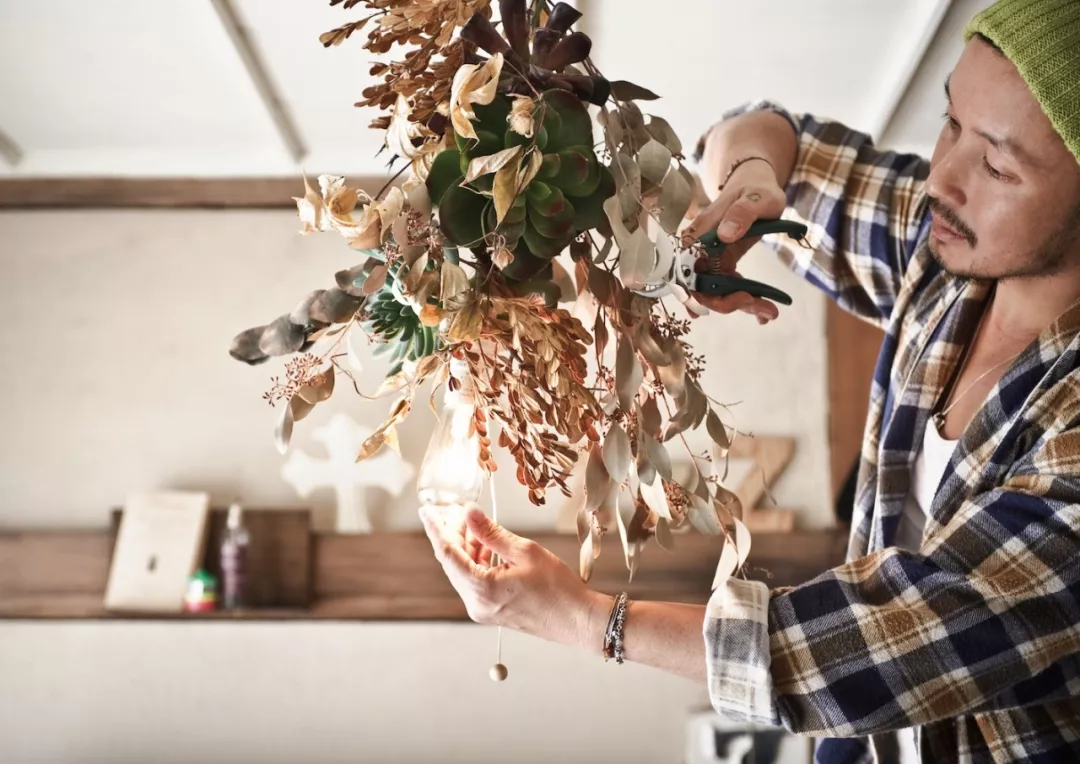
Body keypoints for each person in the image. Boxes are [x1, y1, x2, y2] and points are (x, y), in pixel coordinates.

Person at [420, 0, 1080, 760]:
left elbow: (885, 649)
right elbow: (758, 128)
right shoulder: (939, 256)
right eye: (951, 122)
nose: (944, 177)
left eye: (999, 164)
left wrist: (584, 618)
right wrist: (753, 180)